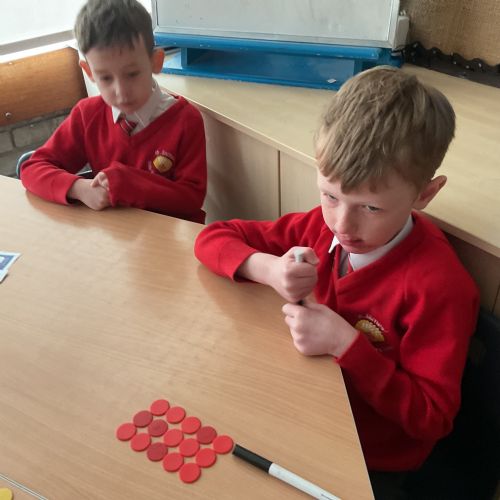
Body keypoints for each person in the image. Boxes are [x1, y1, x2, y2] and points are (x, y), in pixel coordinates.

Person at [194, 66, 479, 498]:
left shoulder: (440, 287)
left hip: (370, 459)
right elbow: (213, 238)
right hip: (305, 411)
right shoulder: (318, 226)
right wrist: (269, 269)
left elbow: (432, 417)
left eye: (370, 208)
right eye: (330, 195)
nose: (342, 225)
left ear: (425, 194)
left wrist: (347, 345)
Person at [20, 0, 207, 223]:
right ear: (89, 72)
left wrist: (130, 184)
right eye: (106, 78)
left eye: (132, 74)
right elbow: (32, 168)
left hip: (170, 237)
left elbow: (191, 199)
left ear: (156, 62)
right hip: (115, 234)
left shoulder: (185, 120)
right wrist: (80, 188)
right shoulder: (87, 115)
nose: (121, 92)